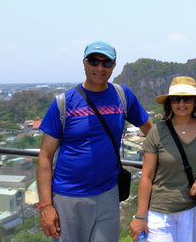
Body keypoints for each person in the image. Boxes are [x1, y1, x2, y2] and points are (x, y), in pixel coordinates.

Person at [37, 41, 153, 242]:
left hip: (108, 192)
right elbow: (45, 157)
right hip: (69, 196)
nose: (100, 68)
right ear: (84, 62)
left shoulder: (122, 96)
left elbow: (152, 133)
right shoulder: (64, 103)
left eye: (106, 63)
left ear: (114, 66)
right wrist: (46, 206)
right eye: (94, 61)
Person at [129, 76, 196, 242]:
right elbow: (146, 176)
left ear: (195, 101)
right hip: (159, 211)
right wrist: (140, 217)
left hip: (191, 209)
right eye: (176, 98)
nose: (181, 104)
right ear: (169, 102)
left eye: (187, 98)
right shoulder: (158, 131)